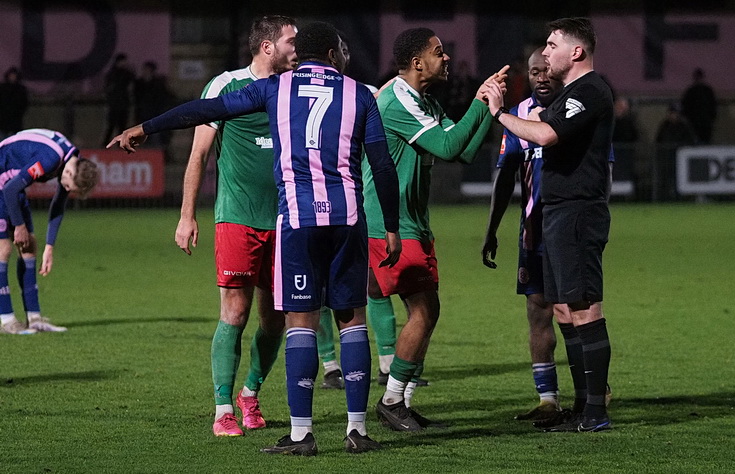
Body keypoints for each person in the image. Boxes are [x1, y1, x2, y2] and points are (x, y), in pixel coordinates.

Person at [108, 21, 401, 455]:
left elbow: (202, 111)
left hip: (297, 220)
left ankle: (301, 435)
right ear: (335, 55)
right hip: (348, 218)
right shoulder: (359, 93)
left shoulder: (274, 89)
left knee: (298, 321)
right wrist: (390, 226)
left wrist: (146, 127)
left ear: (301, 53)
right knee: (351, 319)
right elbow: (381, 162)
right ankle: (356, 430)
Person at [363, 27, 507, 431]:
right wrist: (480, 100)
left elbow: (461, 152)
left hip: (415, 223)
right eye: (438, 52)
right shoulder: (394, 99)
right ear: (416, 62)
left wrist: (490, 111)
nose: (446, 58)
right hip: (390, 223)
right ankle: (391, 401)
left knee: (426, 312)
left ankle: (401, 401)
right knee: (424, 311)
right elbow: (446, 146)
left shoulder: (422, 99)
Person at [485, 17, 614, 432]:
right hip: (557, 212)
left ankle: (596, 410)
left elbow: (544, 135)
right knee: (563, 308)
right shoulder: (572, 93)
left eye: (553, 43)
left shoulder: (590, 90)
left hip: (578, 210)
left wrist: (499, 114)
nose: (546, 50)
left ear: (576, 52)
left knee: (585, 307)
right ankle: (581, 407)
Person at [173, 15, 297, 437]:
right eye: (290, 42)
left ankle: (250, 393)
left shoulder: (295, 88)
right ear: (267, 47)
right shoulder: (225, 86)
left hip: (287, 220)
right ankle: (223, 408)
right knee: (235, 313)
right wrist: (188, 214)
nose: (297, 49)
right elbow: (199, 155)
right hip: (238, 218)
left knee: (276, 318)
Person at [482, 47, 570, 423]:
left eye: (546, 70)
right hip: (532, 229)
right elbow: (506, 176)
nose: (541, 77)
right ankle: (547, 399)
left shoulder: (576, 109)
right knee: (538, 309)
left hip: (568, 227)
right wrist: (492, 229)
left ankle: (592, 389)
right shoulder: (517, 114)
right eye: (534, 72)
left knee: (572, 310)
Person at [0, 129, 99, 335]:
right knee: (3, 249)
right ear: (70, 174)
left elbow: (57, 205)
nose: (67, 190)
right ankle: (6, 319)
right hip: (5, 184)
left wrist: (50, 247)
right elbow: (10, 189)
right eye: (68, 186)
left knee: (29, 248)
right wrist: (18, 227)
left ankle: (34, 318)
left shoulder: (71, 161)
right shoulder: (50, 160)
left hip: (10, 185)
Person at [102, 53, 135, 146]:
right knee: (111, 126)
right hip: (114, 105)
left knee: (122, 127)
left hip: (123, 104)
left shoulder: (127, 74)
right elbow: (108, 89)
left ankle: (121, 145)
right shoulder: (112, 74)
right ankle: (106, 145)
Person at [680, 68, 717, 144]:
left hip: (696, 123)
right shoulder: (707, 91)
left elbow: (684, 107)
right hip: (704, 123)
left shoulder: (690, 91)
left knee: (696, 143)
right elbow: (713, 107)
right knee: (704, 144)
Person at [0, 67, 29, 140]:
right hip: (2, 120)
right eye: (11, 75)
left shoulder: (21, 89)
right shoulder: (2, 88)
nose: (12, 77)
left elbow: (24, 103)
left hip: (15, 120)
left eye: (14, 75)